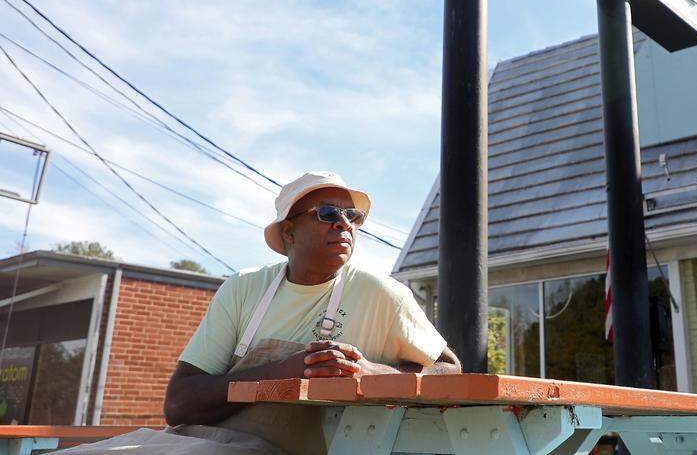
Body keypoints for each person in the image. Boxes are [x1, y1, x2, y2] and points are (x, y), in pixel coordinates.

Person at [61, 171, 460, 455]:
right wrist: (284, 371)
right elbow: (179, 404)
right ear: (288, 232)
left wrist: (372, 374)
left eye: (352, 216)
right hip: (200, 442)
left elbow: (449, 371)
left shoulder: (382, 294)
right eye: (327, 213)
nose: (344, 225)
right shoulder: (244, 288)